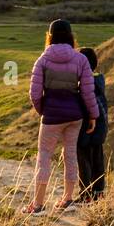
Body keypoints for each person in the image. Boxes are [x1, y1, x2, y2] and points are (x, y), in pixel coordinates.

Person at [23, 19, 98, 213]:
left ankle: (38, 204)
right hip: (75, 116)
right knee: (70, 154)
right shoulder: (80, 59)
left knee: (44, 156)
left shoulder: (43, 60)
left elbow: (34, 93)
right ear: (71, 37)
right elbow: (89, 92)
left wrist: (44, 110)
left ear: (50, 36)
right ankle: (67, 199)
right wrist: (93, 115)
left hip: (51, 116)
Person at [77, 47, 109, 201]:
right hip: (101, 125)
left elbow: (87, 104)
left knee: (84, 159)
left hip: (87, 124)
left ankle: (86, 195)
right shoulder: (99, 80)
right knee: (97, 159)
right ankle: (99, 192)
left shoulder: (85, 82)